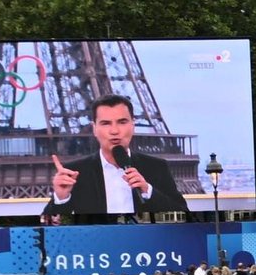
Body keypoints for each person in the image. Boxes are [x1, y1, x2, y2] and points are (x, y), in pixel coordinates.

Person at [51, 92, 194, 221]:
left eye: (122, 122)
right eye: (106, 123)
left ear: (133, 125)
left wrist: (147, 190)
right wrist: (61, 199)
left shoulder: (156, 167)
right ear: (94, 129)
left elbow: (184, 217)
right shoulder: (75, 171)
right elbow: (48, 229)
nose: (114, 131)